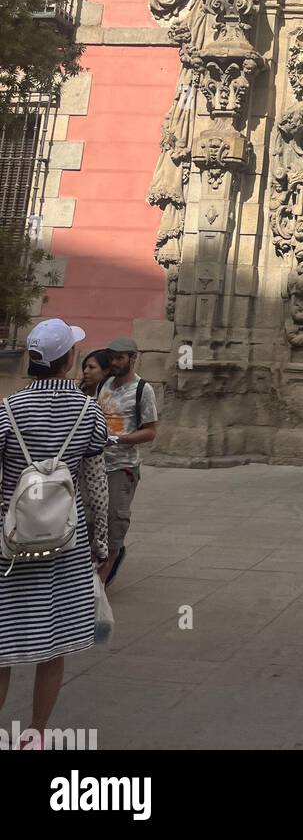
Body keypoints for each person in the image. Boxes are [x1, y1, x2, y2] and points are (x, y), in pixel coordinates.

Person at [0, 319, 109, 748]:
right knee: (53, 642)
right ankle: (37, 733)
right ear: (69, 359)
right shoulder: (89, 411)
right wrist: (101, 543)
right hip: (67, 542)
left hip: (11, 543)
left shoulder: (7, 411)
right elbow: (95, 477)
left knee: (3, 643)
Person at [97, 337, 158, 586]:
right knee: (93, 520)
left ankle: (102, 580)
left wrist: (120, 439)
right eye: (112, 357)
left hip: (122, 467)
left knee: (115, 519)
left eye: (120, 358)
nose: (114, 362)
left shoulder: (143, 389)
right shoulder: (105, 384)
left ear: (133, 358)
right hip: (96, 464)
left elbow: (150, 431)